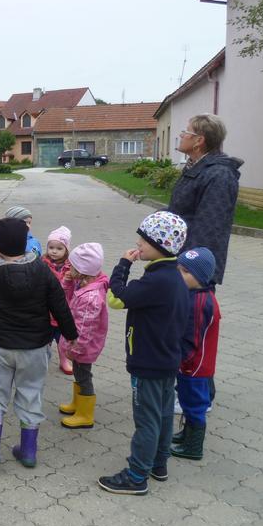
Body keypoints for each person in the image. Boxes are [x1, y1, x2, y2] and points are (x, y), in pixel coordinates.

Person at [0, 218, 77, 469]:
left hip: (3, 346)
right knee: (31, 393)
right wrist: (71, 335)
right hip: (36, 347)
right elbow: (60, 304)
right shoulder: (42, 270)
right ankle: (28, 451)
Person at [98, 211, 189, 495]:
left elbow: (115, 298)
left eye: (144, 239)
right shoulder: (174, 277)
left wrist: (123, 264)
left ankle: (137, 475)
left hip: (148, 363)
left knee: (147, 420)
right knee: (163, 415)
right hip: (167, 360)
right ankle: (159, 464)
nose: (138, 243)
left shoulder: (155, 281)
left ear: (160, 245)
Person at [168, 114, 241, 288]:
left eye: (186, 132)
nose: (181, 135)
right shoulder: (195, 167)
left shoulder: (219, 175)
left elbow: (209, 228)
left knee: (192, 307)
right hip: (179, 259)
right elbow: (182, 210)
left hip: (193, 270)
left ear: (198, 141)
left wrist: (187, 270)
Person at [171, 247, 220, 461]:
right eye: (179, 270)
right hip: (191, 363)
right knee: (186, 399)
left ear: (200, 277)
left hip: (195, 365)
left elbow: (192, 337)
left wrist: (182, 360)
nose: (179, 275)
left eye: (185, 272)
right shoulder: (196, 294)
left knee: (194, 404)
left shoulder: (199, 303)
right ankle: (186, 434)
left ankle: (193, 446)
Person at [57, 243, 109, 429]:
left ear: (82, 270)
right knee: (80, 374)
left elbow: (85, 329)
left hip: (83, 347)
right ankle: (77, 404)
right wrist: (68, 282)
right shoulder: (84, 283)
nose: (68, 269)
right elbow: (68, 296)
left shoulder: (90, 297)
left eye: (71, 266)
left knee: (84, 376)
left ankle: (85, 414)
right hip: (79, 345)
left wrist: (75, 349)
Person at [42, 226, 73, 374]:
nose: (54, 251)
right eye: (51, 247)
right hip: (46, 310)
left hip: (63, 310)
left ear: (66, 250)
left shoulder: (71, 267)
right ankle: (42, 360)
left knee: (63, 340)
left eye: (59, 248)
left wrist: (70, 279)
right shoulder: (42, 263)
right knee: (45, 339)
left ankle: (64, 360)